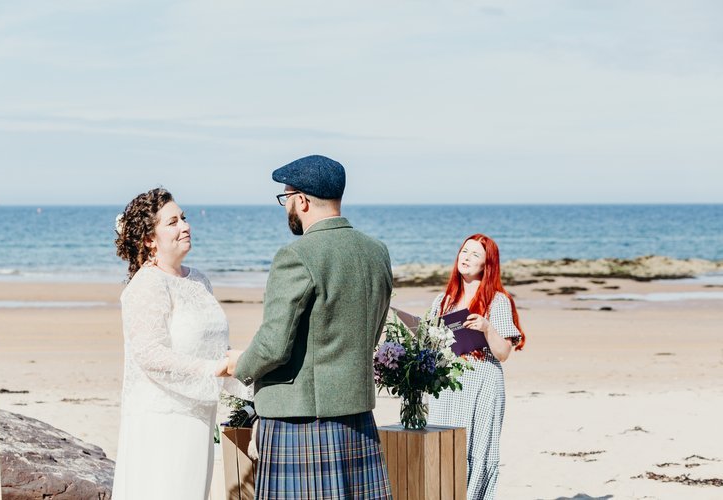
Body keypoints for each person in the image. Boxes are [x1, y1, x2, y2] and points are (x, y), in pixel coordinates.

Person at [227, 155, 394, 499]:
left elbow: (274, 343)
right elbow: (372, 331)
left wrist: (240, 366)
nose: (285, 205)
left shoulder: (297, 256)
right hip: (356, 415)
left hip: (300, 419)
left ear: (300, 200)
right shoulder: (377, 252)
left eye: (285, 198)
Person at [112, 188, 248, 500]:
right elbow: (149, 354)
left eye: (183, 218)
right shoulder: (147, 285)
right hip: (164, 421)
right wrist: (215, 369)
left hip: (200, 416)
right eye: (172, 222)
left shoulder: (199, 280)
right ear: (149, 239)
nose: (185, 226)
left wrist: (247, 377)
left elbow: (215, 346)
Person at [427, 234, 525, 500]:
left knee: (476, 449)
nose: (466, 258)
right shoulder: (443, 300)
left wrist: (487, 327)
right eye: (464, 252)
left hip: (482, 384)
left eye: (475, 255)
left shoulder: (497, 300)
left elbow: (503, 353)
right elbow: (431, 343)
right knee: (442, 446)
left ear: (487, 264)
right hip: (446, 386)